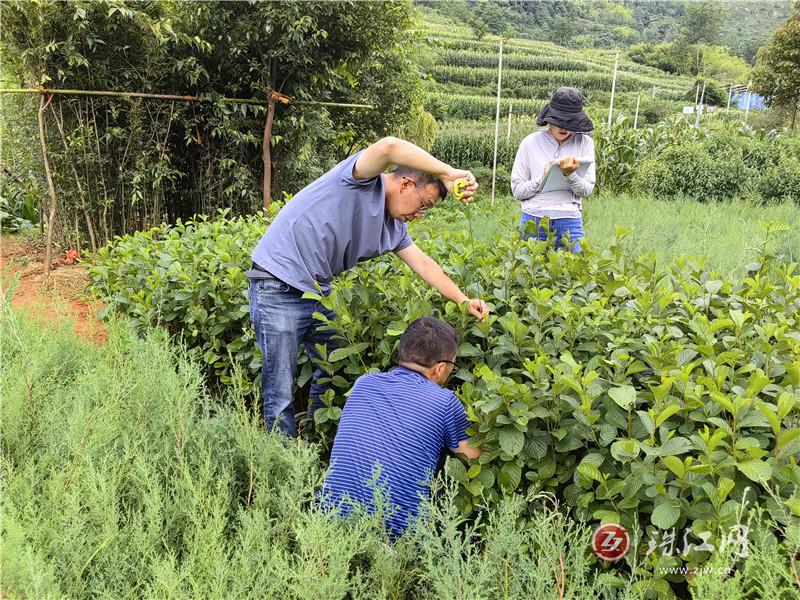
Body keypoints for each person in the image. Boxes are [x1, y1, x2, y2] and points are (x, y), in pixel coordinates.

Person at [247, 137, 489, 436]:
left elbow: (425, 265)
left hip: (315, 291)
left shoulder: (395, 228)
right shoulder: (359, 181)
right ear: (404, 184)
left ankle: (310, 441)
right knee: (280, 387)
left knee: (333, 358)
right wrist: (448, 172)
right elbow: (388, 147)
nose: (418, 216)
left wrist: (463, 300)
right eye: (422, 205)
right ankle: (279, 464)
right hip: (277, 284)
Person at [319, 317, 482, 539]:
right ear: (441, 368)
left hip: (329, 523)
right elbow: (473, 456)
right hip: (398, 538)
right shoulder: (444, 401)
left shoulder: (364, 383)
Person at [510, 87, 596, 252]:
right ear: (549, 118)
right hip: (534, 219)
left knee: (575, 273)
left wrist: (570, 175)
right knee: (528, 274)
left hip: (569, 221)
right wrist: (543, 177)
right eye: (558, 121)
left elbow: (586, 190)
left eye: (569, 122)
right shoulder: (530, 143)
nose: (563, 127)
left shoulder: (585, 143)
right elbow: (518, 191)